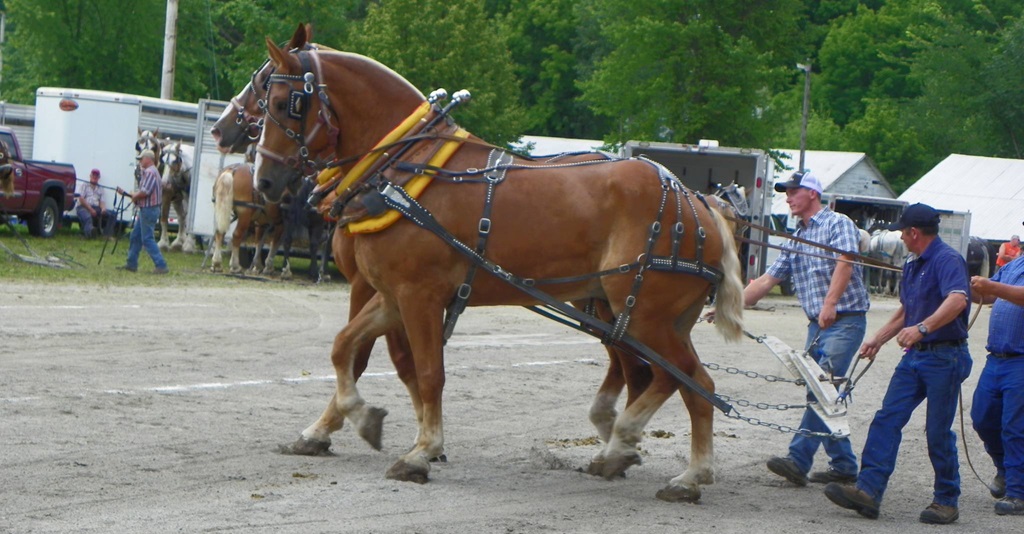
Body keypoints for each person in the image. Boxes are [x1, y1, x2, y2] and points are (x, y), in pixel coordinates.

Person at [709, 170, 870, 486]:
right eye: (786, 193)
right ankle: (844, 464)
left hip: (845, 320)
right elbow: (767, 280)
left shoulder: (837, 223)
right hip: (818, 325)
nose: (788, 198)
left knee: (823, 390)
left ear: (812, 193)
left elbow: (846, 261)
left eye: (794, 192)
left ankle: (798, 460)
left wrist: (830, 303)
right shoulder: (797, 237)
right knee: (821, 393)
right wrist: (729, 306)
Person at [824, 203, 972, 525]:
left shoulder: (947, 260)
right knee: (886, 419)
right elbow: (908, 309)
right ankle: (868, 491)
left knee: (937, 431)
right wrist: (879, 338)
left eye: (903, 232)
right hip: (916, 356)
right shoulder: (913, 264)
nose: (901, 238)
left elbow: (958, 299)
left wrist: (923, 328)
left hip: (945, 357)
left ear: (914, 232)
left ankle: (946, 500)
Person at [969, 250, 1024, 516]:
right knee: (982, 418)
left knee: (1015, 427)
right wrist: (967, 285)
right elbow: (988, 295)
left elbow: (1005, 292)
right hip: (997, 358)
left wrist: (991, 286)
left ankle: (1018, 492)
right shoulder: (1015, 265)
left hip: (1021, 360)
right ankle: (1005, 470)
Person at [116, 150, 168, 274]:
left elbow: (145, 192)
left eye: (141, 159)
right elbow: (144, 193)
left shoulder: (150, 172)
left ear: (148, 159)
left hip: (149, 210)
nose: (140, 161)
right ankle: (131, 264)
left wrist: (134, 196)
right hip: (147, 209)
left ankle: (161, 265)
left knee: (147, 238)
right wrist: (131, 195)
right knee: (135, 236)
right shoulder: (152, 172)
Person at [74, 168, 116, 238]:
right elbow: (81, 199)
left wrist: (103, 208)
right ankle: (90, 233)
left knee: (113, 214)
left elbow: (102, 201)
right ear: (90, 176)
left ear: (99, 178)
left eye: (96, 176)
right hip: (83, 207)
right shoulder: (84, 185)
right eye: (93, 175)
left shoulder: (100, 188)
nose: (95, 177)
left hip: (96, 208)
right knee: (87, 217)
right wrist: (90, 209)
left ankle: (107, 235)